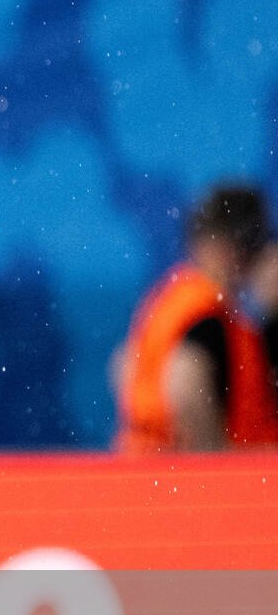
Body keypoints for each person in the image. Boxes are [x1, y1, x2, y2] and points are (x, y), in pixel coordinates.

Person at [115, 185, 277, 451]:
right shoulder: (210, 315)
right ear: (233, 249)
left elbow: (123, 364)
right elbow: (184, 376)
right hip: (185, 468)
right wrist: (213, 456)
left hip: (143, 461)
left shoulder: (170, 299)